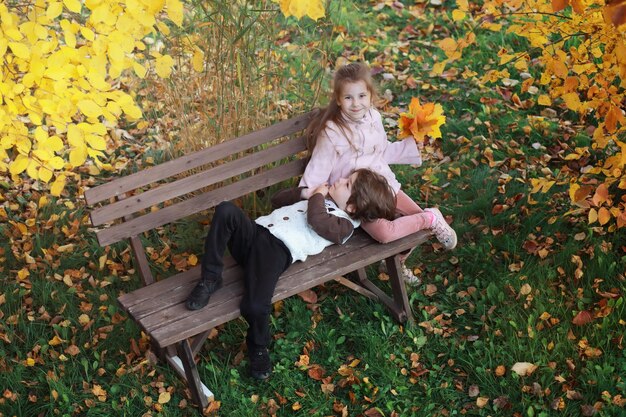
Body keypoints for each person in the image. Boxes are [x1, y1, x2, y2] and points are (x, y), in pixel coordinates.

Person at [185, 169, 396, 380]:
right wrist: (305, 194)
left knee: (255, 305)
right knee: (225, 210)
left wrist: (317, 197)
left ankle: (258, 347)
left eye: (347, 184)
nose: (339, 180)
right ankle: (211, 278)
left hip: (275, 251)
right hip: (255, 233)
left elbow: (317, 221)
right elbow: (276, 200)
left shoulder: (344, 225)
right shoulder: (318, 197)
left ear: (351, 207)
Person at [298, 62, 457, 284]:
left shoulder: (374, 118)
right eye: (348, 98)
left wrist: (410, 147)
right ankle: (430, 218)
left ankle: (399, 259)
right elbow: (318, 168)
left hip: (382, 184)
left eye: (362, 96)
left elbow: (382, 151)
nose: (356, 104)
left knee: (414, 220)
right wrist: (313, 193)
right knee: (385, 233)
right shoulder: (332, 132)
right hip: (356, 197)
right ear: (338, 99)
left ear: (371, 95)